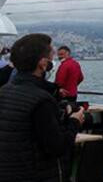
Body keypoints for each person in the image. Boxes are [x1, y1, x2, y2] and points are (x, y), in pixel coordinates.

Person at [0, 34, 85, 182]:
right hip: (35, 174)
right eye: (51, 55)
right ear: (43, 63)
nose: (53, 60)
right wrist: (74, 122)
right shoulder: (41, 100)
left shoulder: (4, 91)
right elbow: (57, 147)